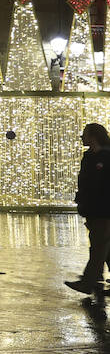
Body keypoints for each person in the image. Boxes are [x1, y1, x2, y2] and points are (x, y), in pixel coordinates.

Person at [66, 123, 110, 297]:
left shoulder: (104, 157)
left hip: (103, 210)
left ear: (93, 136)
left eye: (84, 134)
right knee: (104, 246)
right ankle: (93, 278)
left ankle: (88, 282)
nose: (82, 137)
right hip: (93, 209)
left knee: (99, 247)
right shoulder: (91, 157)